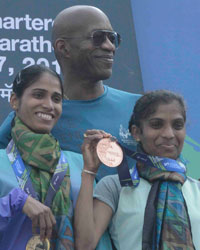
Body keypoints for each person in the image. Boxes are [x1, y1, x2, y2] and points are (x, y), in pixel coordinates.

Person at [0, 5, 141, 181]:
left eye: (113, 38)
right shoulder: (37, 115)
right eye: (98, 37)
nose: (109, 46)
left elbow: (169, 169)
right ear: (64, 47)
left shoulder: (140, 108)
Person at [74, 90, 200, 249]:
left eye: (177, 125)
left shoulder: (197, 190)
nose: (169, 134)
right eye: (156, 124)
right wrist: (89, 172)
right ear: (136, 132)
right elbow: (85, 244)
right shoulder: (116, 187)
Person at [0, 65, 75, 250]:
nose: (49, 105)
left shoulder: (80, 164)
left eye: (56, 99)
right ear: (15, 101)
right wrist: (16, 202)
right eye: (38, 95)